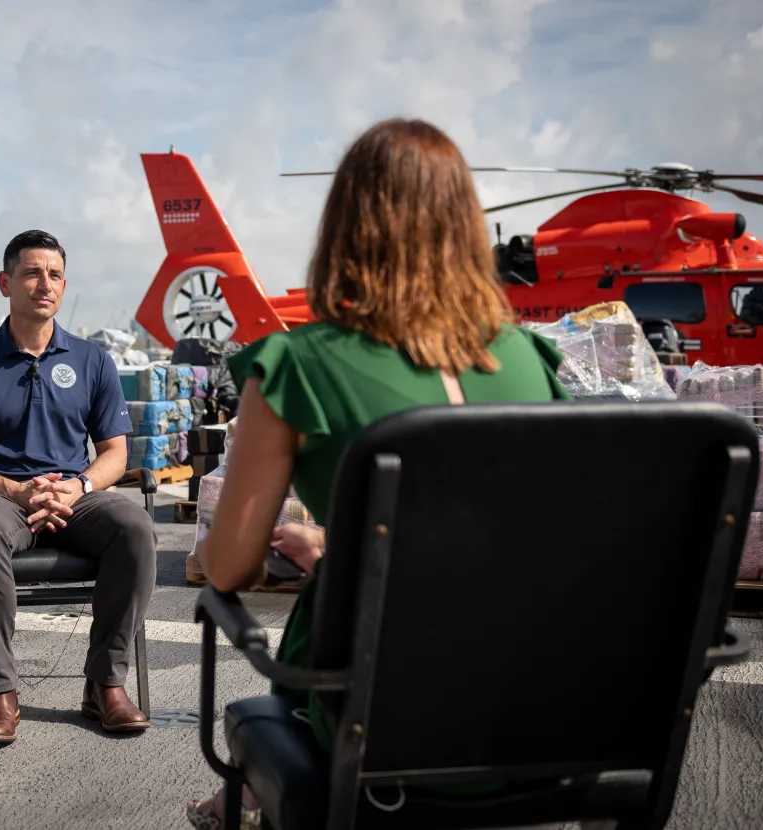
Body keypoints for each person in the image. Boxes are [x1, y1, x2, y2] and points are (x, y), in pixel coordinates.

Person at [185, 118, 571, 828]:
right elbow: (487, 534)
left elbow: (232, 567)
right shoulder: (531, 362)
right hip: (541, 725)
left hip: (386, 736)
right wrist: (341, 544)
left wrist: (210, 554)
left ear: (346, 225)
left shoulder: (298, 366)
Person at [0, 229, 157, 744]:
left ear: (64, 285)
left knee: (136, 526)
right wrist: (15, 490)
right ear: (6, 283)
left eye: (53, 275)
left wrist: (77, 486)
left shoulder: (93, 361)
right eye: (31, 273)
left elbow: (116, 452)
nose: (42, 284)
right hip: (1, 500)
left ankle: (104, 683)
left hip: (75, 499)